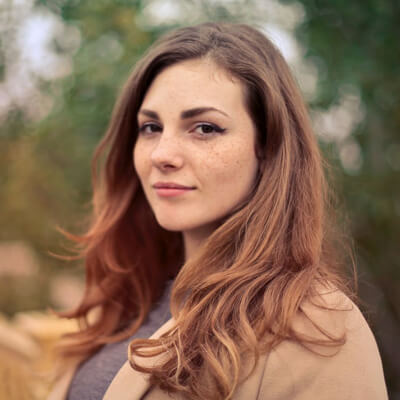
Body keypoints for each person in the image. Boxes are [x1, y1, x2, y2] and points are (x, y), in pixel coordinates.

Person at [47, 22, 387, 400]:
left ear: (267, 147)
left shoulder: (318, 328)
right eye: (151, 127)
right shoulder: (126, 303)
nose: (162, 154)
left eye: (205, 128)